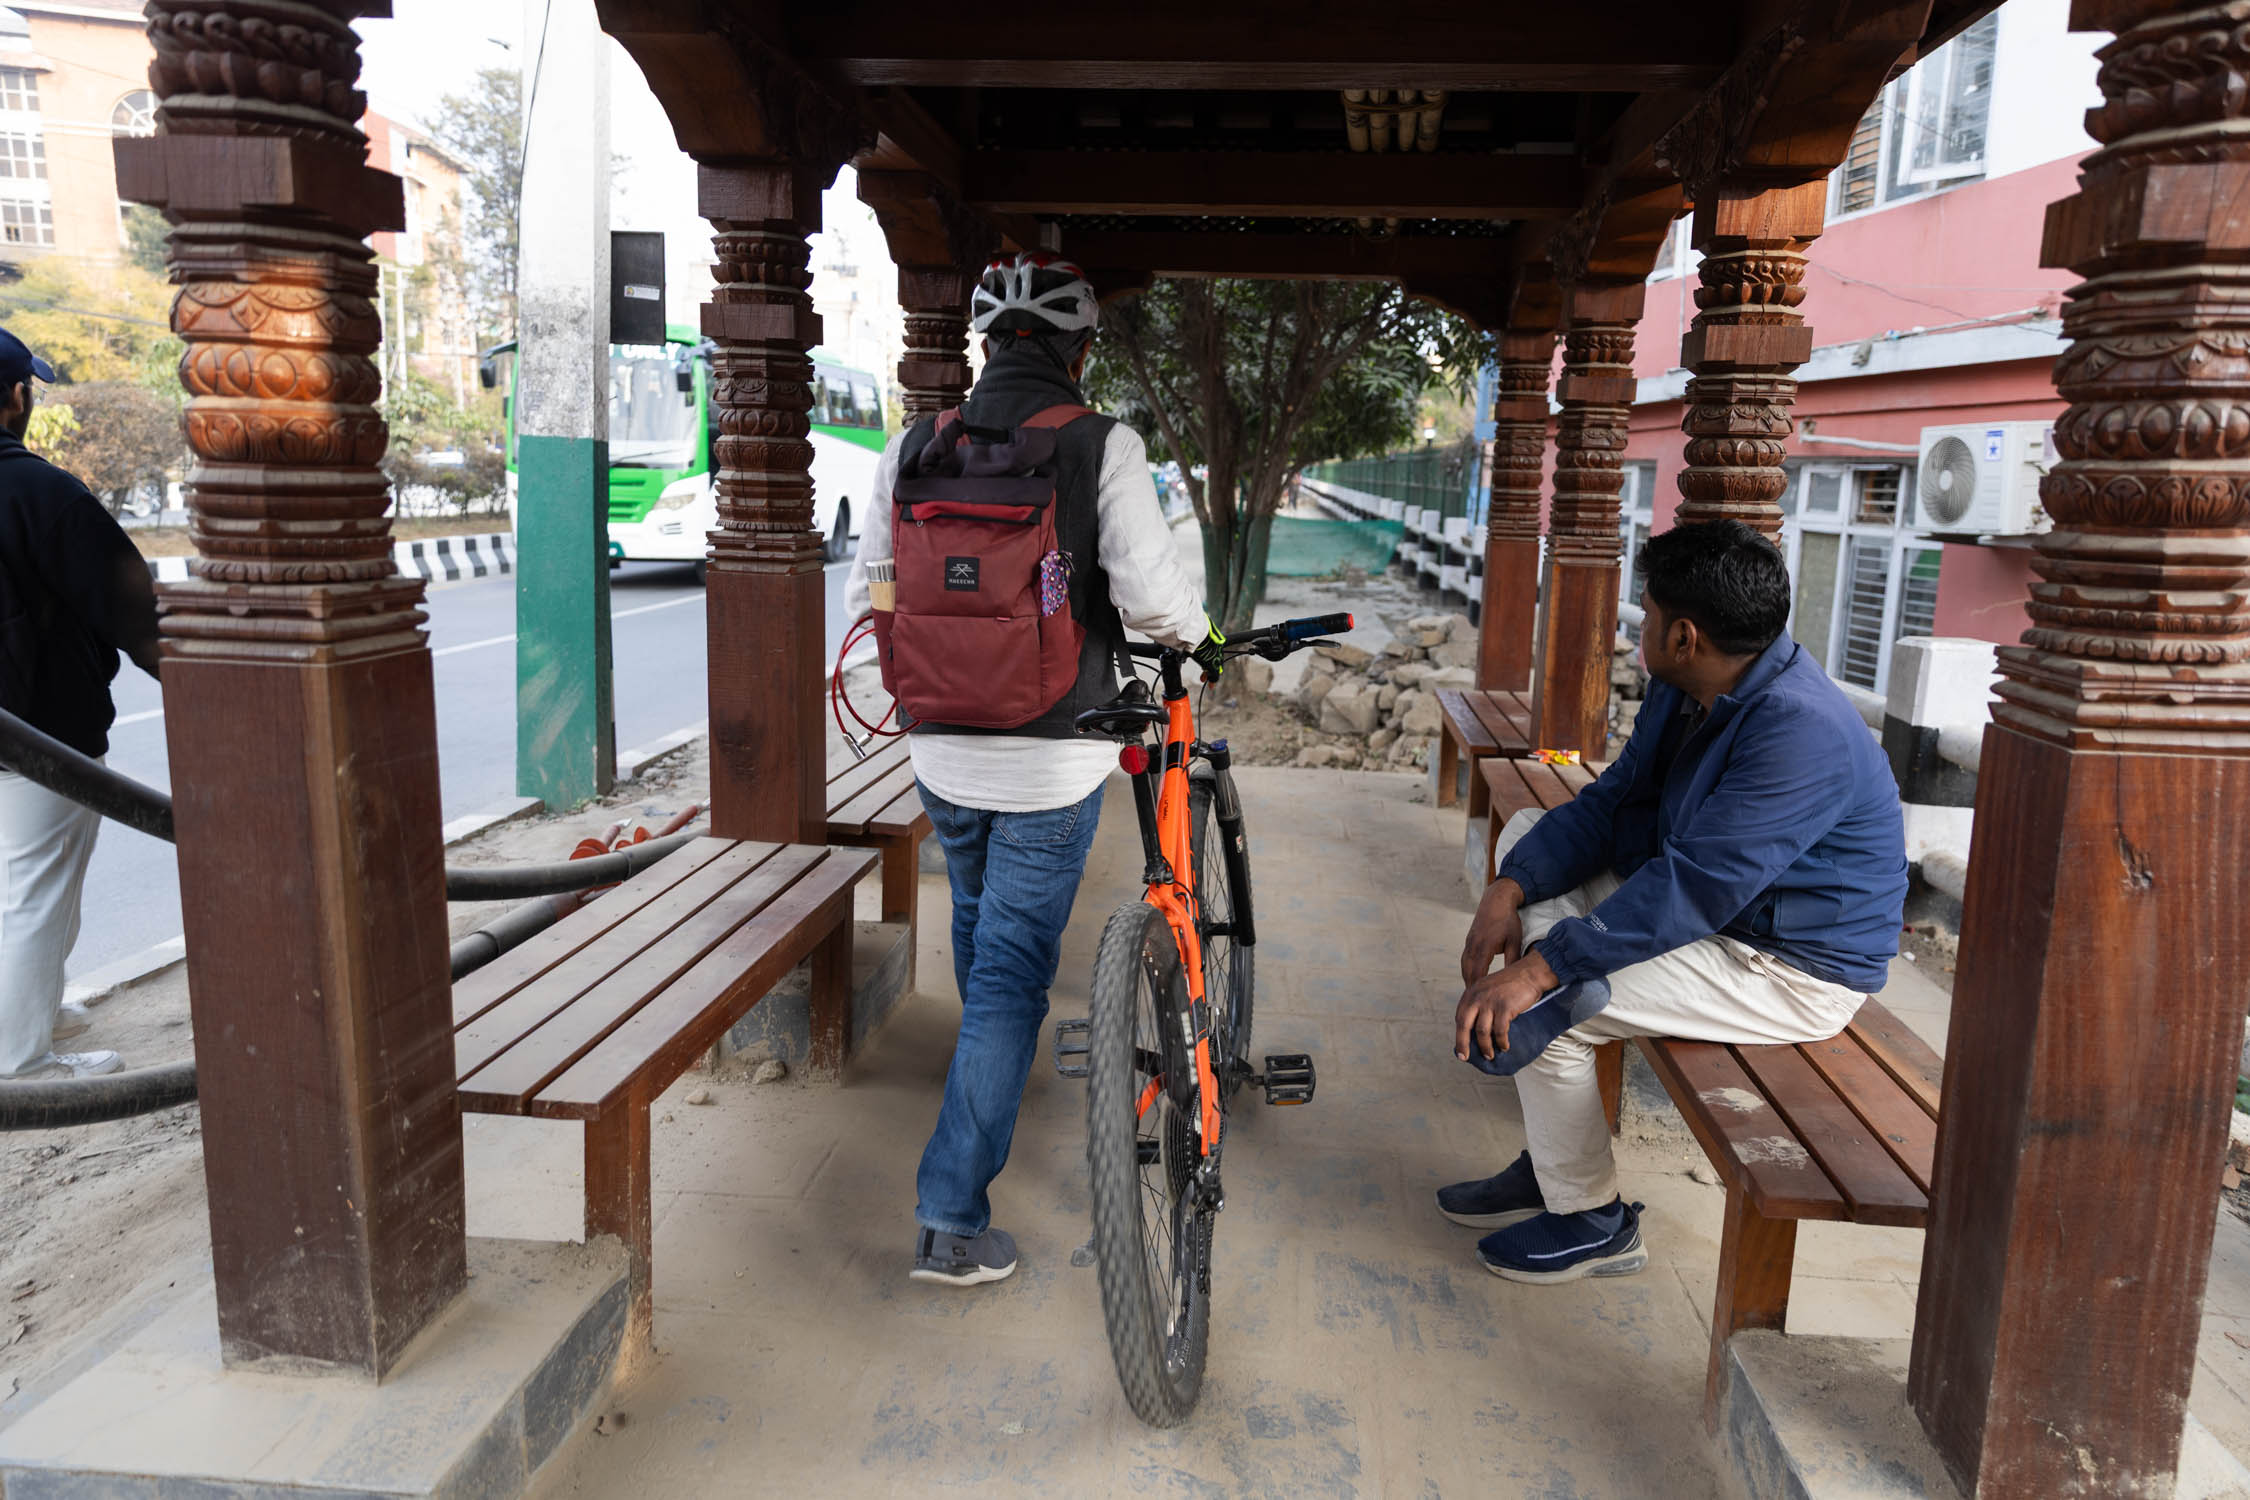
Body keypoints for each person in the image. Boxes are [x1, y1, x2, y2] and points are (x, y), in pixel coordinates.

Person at [845, 253, 1218, 1287]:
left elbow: (867, 596)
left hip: (939, 748)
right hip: (1053, 761)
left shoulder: (913, 444)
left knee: (979, 935)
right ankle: (950, 1216)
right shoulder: (1102, 443)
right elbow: (1151, 604)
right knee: (1010, 973)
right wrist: (1196, 636)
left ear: (985, 346)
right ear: (1080, 351)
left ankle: (987, 1071)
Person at [1440, 520, 1906, 1283]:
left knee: (1546, 1010)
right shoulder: (1691, 685)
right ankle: (1556, 1157)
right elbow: (1618, 799)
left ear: (1684, 635)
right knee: (1530, 839)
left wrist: (1540, 970)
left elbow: (1693, 886)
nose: (1638, 631)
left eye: (1647, 615)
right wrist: (1510, 886)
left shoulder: (1800, 730)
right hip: (1719, 916)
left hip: (1786, 968)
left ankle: (1592, 1220)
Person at [0, 327, 162, 1080]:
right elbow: (133, 613)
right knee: (37, 886)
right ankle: (21, 1060)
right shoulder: (42, 492)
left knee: (24, 886)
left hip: (28, 730)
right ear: (15, 398)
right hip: (43, 737)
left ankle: (31, 1006)